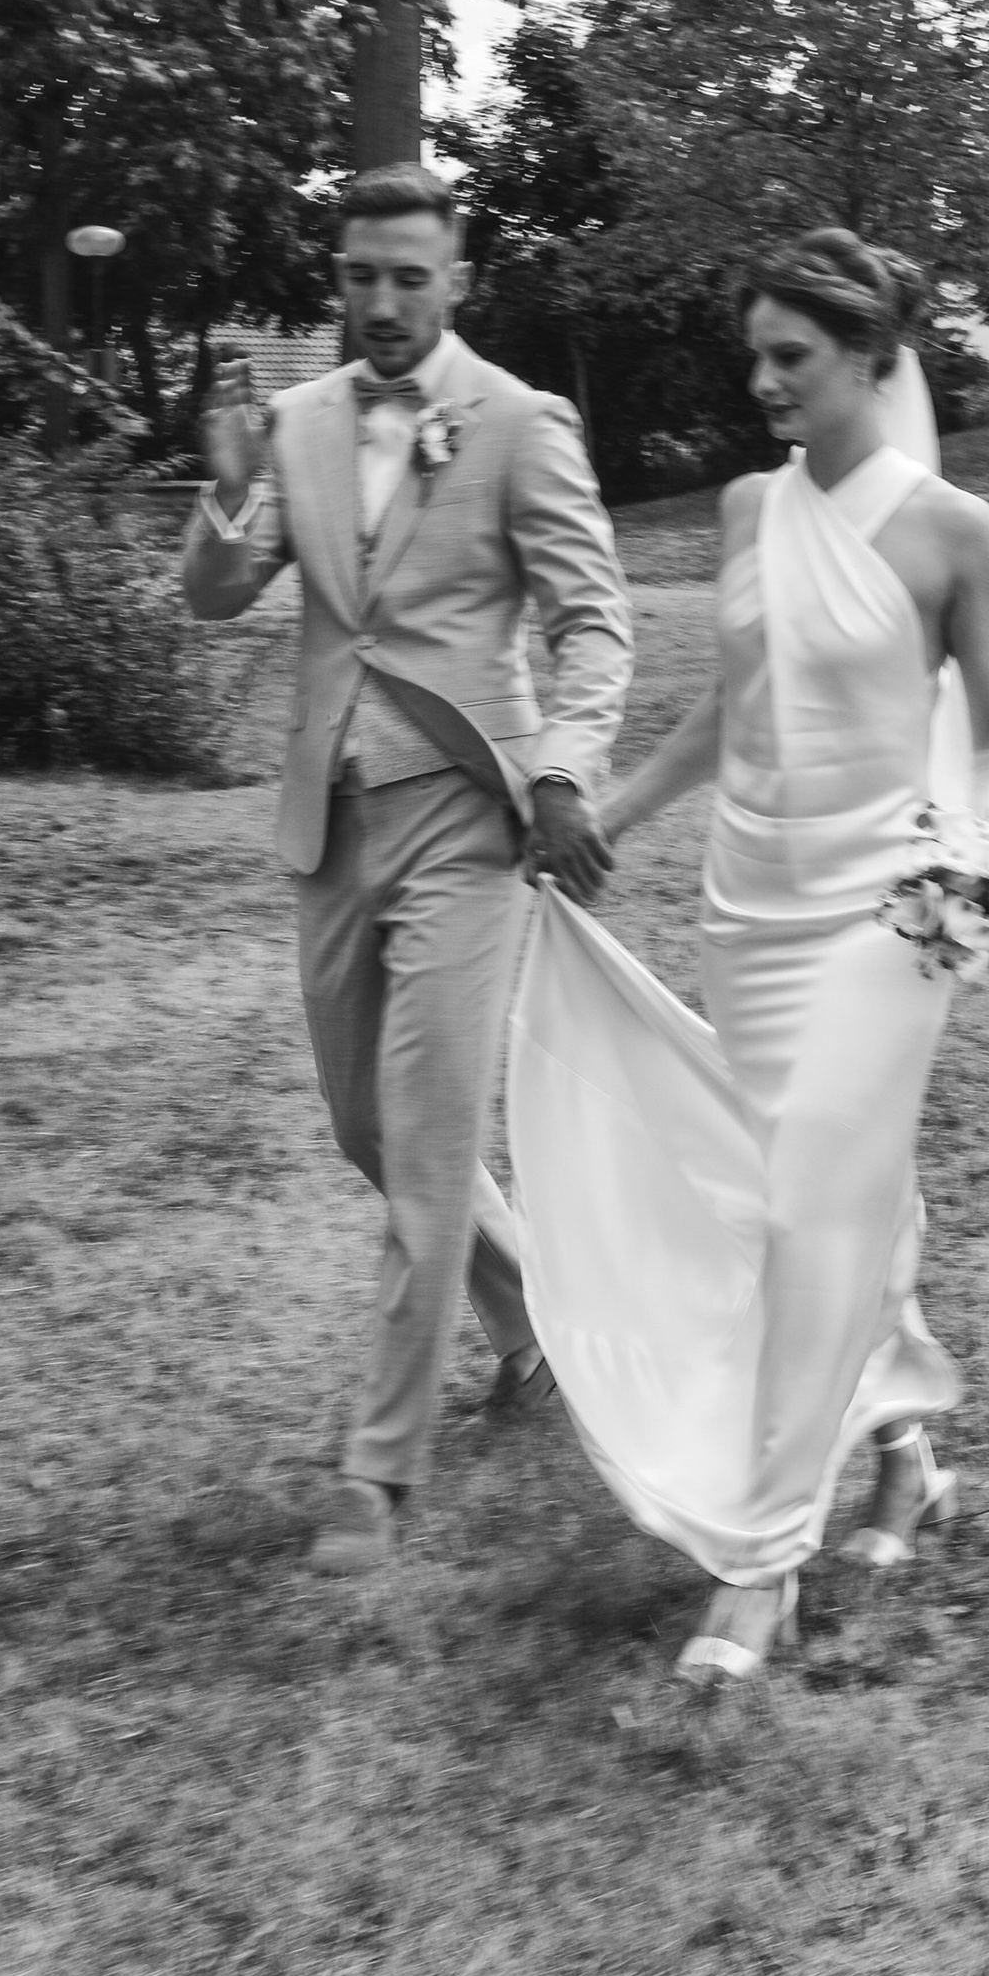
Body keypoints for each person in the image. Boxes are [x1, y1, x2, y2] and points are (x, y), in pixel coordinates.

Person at [502, 228, 989, 1684]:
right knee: (817, 1203)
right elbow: (727, 714)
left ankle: (758, 1564)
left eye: (790, 357)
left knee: (810, 1211)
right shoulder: (743, 511)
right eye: (757, 355)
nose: (762, 381)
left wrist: (978, 870)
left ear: (871, 358)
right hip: (753, 912)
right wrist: (604, 813)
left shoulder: (953, 533)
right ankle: (907, 1454)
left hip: (889, 924)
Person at [182, 165, 631, 1576]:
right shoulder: (299, 423)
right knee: (362, 1133)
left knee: (428, 1143)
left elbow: (596, 624)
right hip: (331, 815)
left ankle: (377, 1476)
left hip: (469, 821)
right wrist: (227, 491)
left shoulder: (521, 424)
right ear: (338, 280)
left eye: (409, 278)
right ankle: (535, 1329)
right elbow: (212, 599)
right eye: (360, 277)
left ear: (455, 281)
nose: (382, 303)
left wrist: (562, 769)